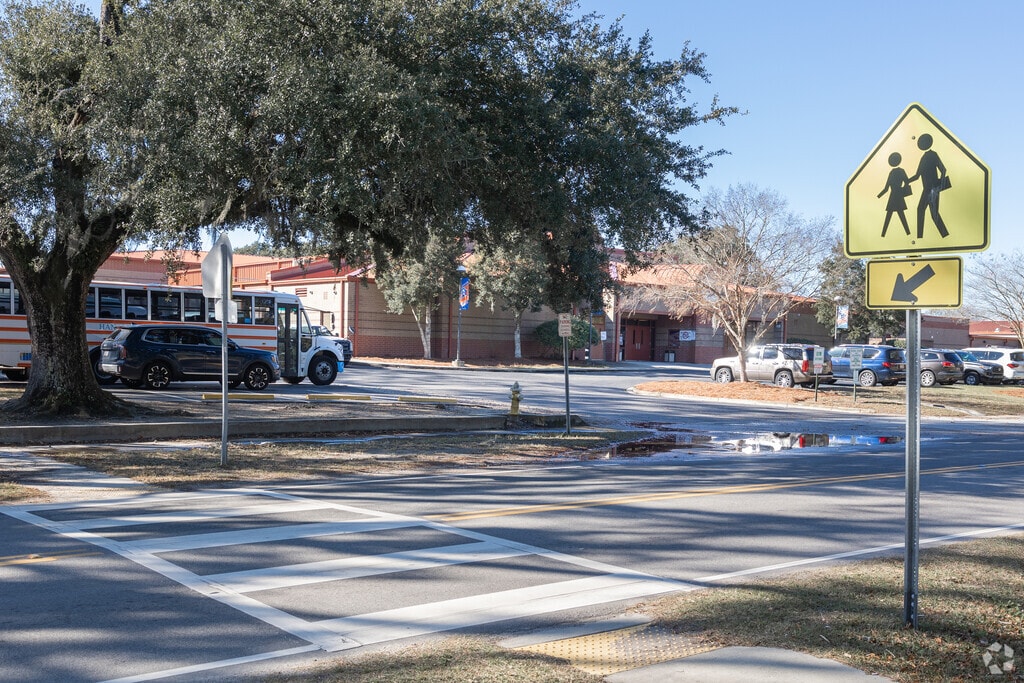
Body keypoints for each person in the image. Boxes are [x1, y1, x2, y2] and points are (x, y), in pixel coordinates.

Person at [907, 134, 949, 239]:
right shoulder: (924, 157)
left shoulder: (932, 155)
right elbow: (917, 176)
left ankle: (945, 235)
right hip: (927, 190)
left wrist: (941, 184)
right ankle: (920, 238)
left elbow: (943, 170)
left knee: (933, 214)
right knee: (921, 210)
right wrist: (907, 181)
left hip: (933, 189)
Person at [877, 152, 911, 237]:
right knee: (898, 215)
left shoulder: (892, 173)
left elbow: (886, 189)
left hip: (894, 196)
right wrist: (878, 196)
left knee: (894, 215)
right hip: (897, 196)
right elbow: (907, 182)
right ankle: (907, 233)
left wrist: (879, 196)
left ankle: (883, 234)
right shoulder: (899, 171)